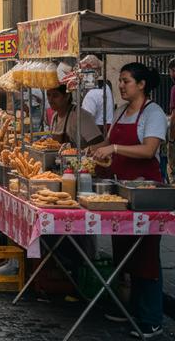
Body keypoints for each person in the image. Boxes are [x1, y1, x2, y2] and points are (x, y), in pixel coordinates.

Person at [89, 63, 168, 338]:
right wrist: (91, 149)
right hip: (119, 193)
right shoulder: (121, 111)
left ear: (142, 84)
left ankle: (150, 317)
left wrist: (115, 147)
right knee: (124, 250)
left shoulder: (153, 112)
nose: (121, 86)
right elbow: (106, 144)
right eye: (120, 81)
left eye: (125, 81)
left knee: (146, 253)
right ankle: (131, 309)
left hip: (146, 194)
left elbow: (148, 150)